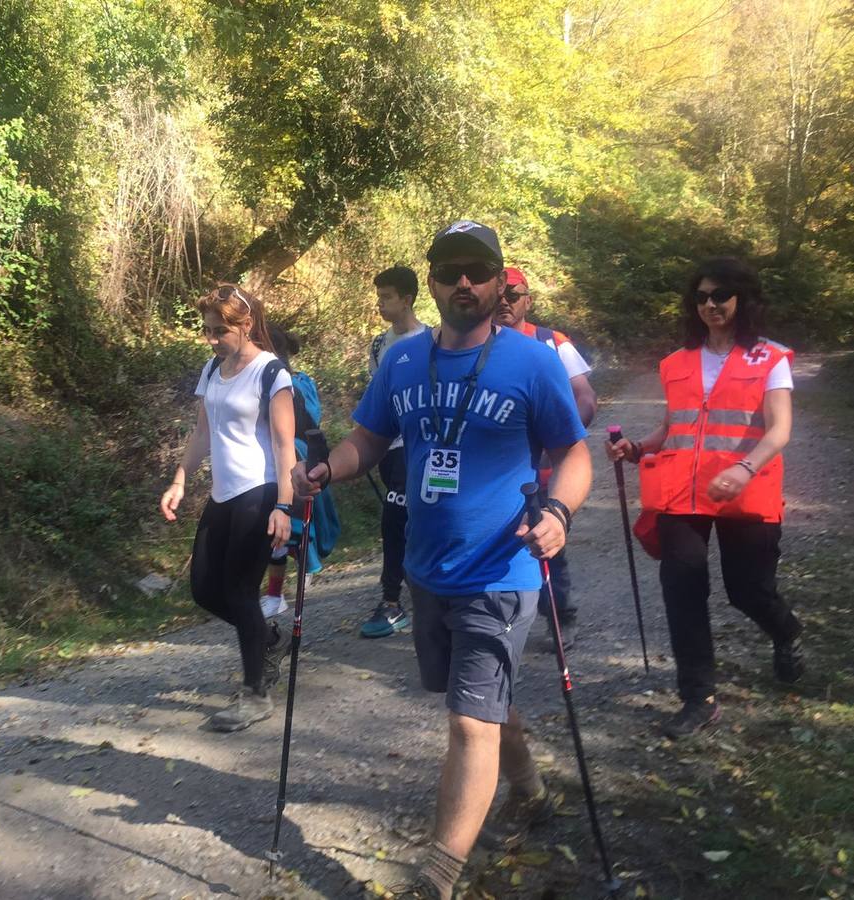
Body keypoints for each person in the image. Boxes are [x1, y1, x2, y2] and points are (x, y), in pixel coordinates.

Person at [294, 221, 591, 898]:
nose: (464, 281)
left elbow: (572, 453)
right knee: (485, 708)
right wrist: (324, 470)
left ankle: (438, 875)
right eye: (450, 269)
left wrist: (559, 514)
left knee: (467, 721)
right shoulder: (401, 361)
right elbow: (368, 439)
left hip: (502, 568)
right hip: (428, 571)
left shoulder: (531, 362)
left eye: (477, 271)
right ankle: (532, 791)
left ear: (497, 280)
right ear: (429, 281)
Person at [605, 257, 802, 739]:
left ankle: (786, 632)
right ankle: (699, 698)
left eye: (720, 296)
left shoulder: (769, 358)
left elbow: (779, 429)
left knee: (747, 590)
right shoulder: (678, 361)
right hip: (681, 493)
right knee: (682, 590)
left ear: (742, 299)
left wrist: (744, 466)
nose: (710, 305)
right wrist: (639, 448)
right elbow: (677, 424)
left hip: (746, 490)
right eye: (701, 297)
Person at [160, 284, 296, 733]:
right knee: (203, 589)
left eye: (220, 331)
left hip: (259, 493)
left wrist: (284, 506)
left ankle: (255, 694)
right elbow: (202, 432)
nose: (212, 340)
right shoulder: (212, 370)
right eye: (208, 331)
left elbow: (283, 445)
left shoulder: (271, 373)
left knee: (239, 591)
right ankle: (264, 635)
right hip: (222, 494)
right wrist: (180, 478)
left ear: (247, 325)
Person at [495, 266, 597, 649]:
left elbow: (585, 397)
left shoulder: (551, 342)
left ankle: (561, 616)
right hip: (493, 471)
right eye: (501, 294)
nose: (506, 302)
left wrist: (557, 439)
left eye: (515, 295)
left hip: (542, 471)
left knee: (545, 541)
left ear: (528, 300)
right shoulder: (472, 344)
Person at [361, 265, 428, 638]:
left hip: (421, 449)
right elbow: (376, 399)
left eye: (387, 296)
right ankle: (405, 596)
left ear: (407, 299)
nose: (380, 303)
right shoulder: (377, 346)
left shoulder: (432, 341)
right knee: (397, 519)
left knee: (399, 518)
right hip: (390, 449)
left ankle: (392, 600)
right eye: (379, 296)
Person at [259, 324, 340, 617]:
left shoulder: (281, 385)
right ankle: (287, 582)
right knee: (287, 528)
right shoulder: (302, 382)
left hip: (289, 459)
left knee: (284, 528)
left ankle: (275, 594)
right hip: (295, 456)